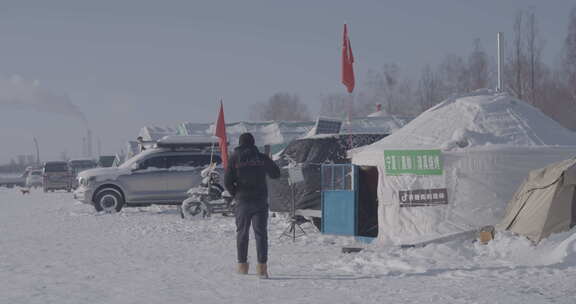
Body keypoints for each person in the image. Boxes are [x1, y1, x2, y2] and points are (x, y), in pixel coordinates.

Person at [224, 132, 280, 279]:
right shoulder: (261, 157)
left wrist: (236, 194)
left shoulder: (234, 158)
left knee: (242, 233)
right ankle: (262, 268)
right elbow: (276, 174)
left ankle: (242, 266)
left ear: (240, 143)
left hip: (242, 201)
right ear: (253, 143)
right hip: (260, 200)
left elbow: (227, 182)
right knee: (261, 234)